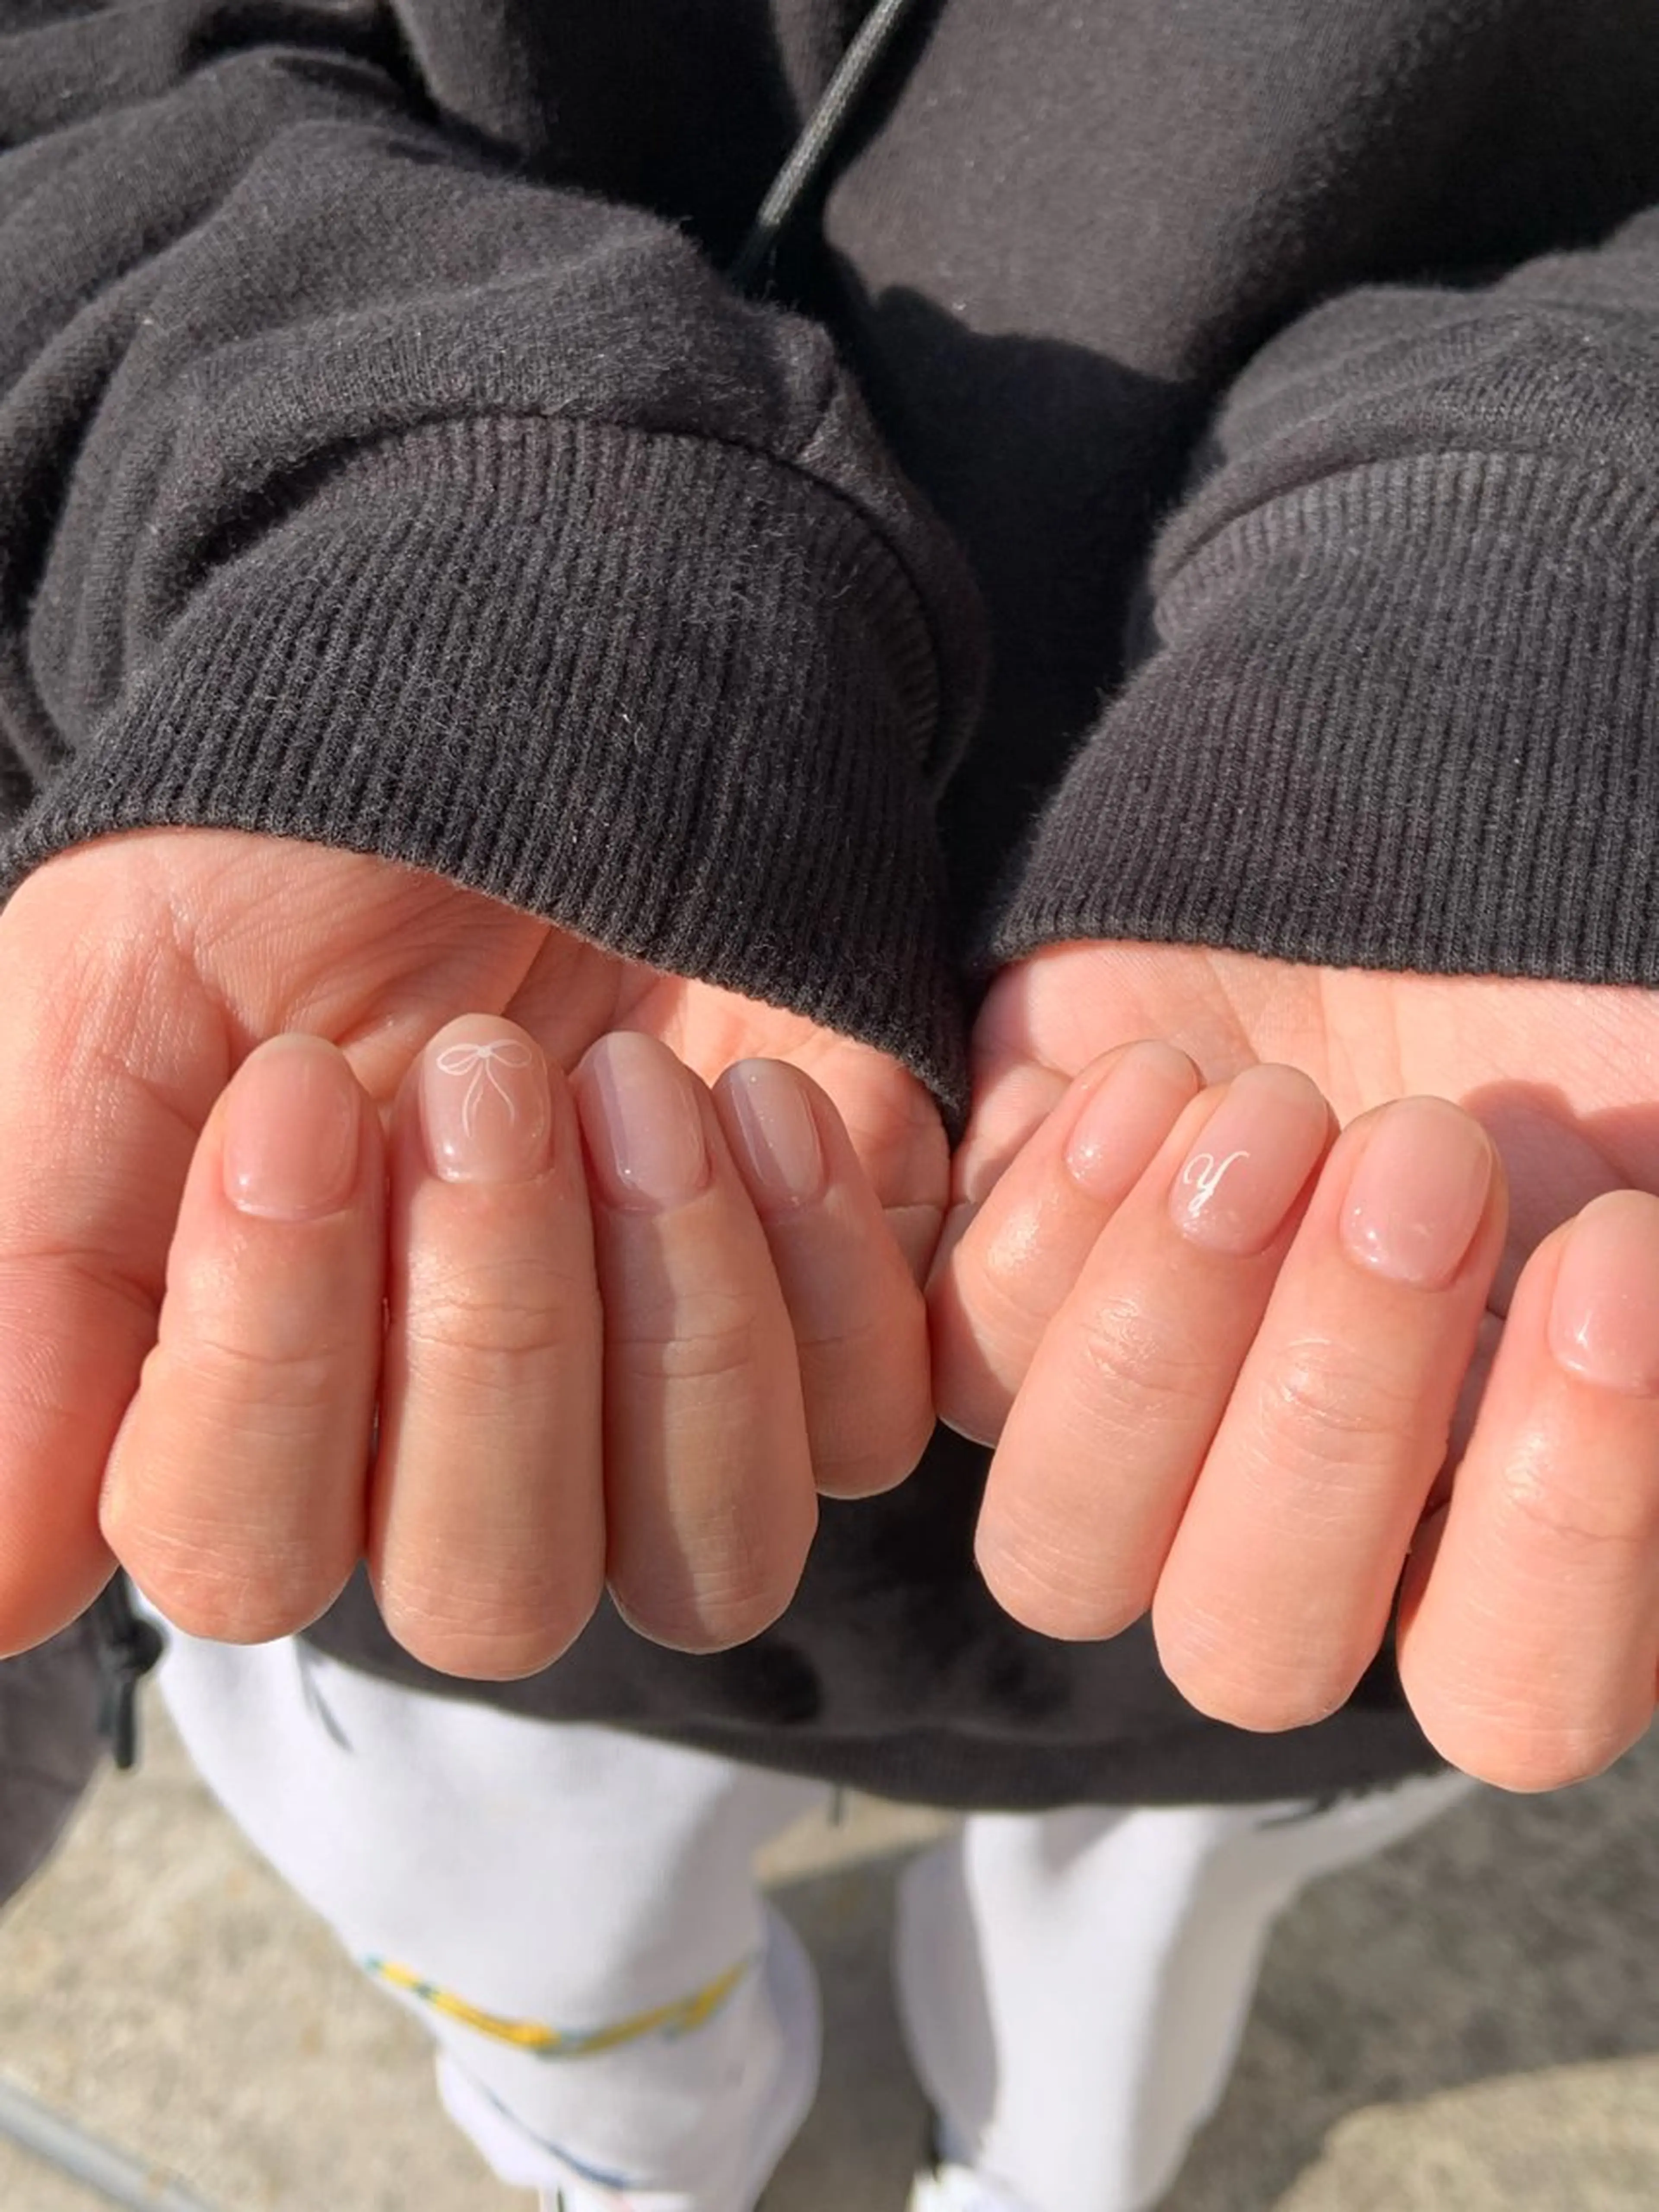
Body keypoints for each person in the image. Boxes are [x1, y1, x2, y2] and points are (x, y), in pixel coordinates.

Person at [2, 3, 1659, 2209]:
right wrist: (418, 508)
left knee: (1123, 1985)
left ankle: (1029, 2158)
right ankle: (628, 2139)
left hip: (1373, 1482)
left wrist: (1551, 603)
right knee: (545, 1943)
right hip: (402, 1403)